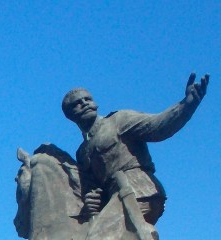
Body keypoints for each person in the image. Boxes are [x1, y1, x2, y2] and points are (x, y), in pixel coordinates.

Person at [62, 73, 209, 227]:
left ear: (95, 104)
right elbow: (93, 188)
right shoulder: (82, 152)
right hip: (114, 201)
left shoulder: (118, 120)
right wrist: (92, 201)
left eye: (88, 99)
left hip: (140, 192)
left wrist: (188, 104)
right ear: (70, 115)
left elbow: (158, 126)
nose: (85, 104)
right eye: (77, 103)